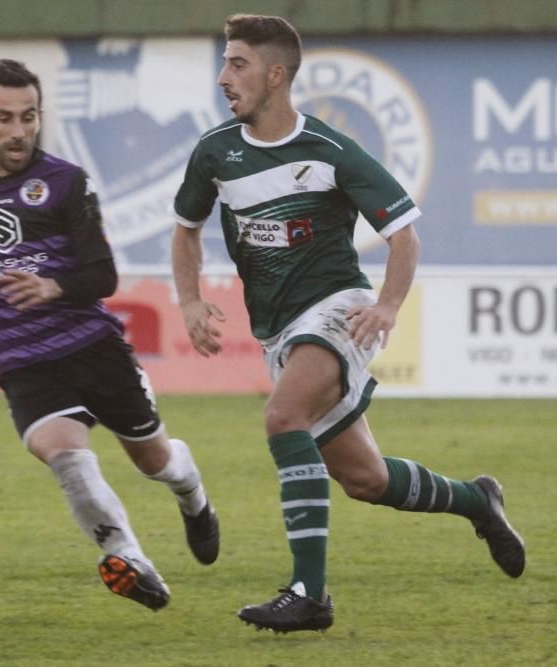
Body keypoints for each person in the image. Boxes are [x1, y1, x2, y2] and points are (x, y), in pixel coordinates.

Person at [171, 15, 525, 633]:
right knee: (366, 479)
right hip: (276, 331)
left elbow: (404, 236)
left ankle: (310, 593)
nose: (224, 77)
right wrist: (191, 302)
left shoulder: (331, 152)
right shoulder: (215, 153)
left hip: (336, 308)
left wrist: (385, 307)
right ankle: (477, 500)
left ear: (276, 75)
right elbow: (185, 229)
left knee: (283, 418)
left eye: (238, 64)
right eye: (225, 63)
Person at [0, 58, 220, 611]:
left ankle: (192, 493)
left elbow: (103, 276)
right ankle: (128, 558)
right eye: (5, 117)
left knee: (153, 460)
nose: (18, 131)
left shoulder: (66, 181)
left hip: (92, 348)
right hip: (24, 360)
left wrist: (52, 286)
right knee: (63, 454)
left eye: (29, 116)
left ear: (40, 117)